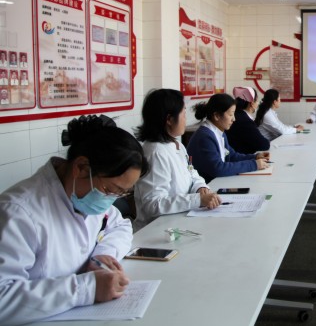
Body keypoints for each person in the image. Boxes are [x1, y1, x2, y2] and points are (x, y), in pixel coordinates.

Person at [0, 115, 149, 325]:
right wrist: (87, 288)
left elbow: (120, 225)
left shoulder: (85, 193)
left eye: (121, 193)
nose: (111, 199)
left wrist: (104, 254)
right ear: (81, 167)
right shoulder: (18, 211)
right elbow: (3, 298)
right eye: (111, 190)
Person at [133, 89, 221, 231]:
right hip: (155, 230)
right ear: (169, 119)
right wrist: (197, 200)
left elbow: (192, 173)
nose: (186, 119)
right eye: (184, 114)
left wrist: (200, 187)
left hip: (180, 221)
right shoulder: (156, 152)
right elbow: (153, 204)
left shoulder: (176, 144)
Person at [187, 93, 269, 182]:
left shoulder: (219, 131)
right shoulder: (205, 136)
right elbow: (217, 168)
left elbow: (232, 156)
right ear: (217, 116)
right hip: (208, 185)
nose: (234, 119)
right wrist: (253, 165)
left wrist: (255, 157)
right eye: (230, 115)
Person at [226, 86, 270, 154]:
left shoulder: (237, 114)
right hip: (241, 156)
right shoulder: (245, 121)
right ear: (251, 103)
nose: (258, 103)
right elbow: (263, 145)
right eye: (256, 100)